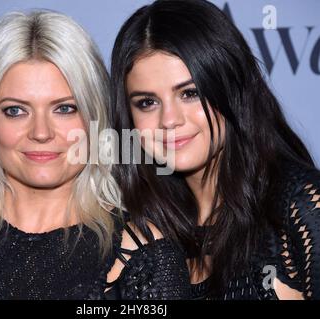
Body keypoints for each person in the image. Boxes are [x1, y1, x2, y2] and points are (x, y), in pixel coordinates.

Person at [0, 10, 190, 299]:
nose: (41, 132)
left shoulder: (143, 255)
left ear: (94, 120)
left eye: (64, 109)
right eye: (15, 110)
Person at [110, 0, 320, 299]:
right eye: (147, 102)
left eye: (190, 93)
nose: (170, 120)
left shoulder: (301, 205)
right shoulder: (144, 235)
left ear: (231, 89)